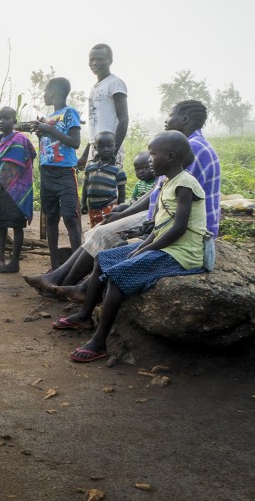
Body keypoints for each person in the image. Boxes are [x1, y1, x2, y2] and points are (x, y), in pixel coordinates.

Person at [28, 99, 221, 301]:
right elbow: (157, 191)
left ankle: (64, 284)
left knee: (104, 233)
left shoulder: (191, 149)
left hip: (184, 224)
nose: (166, 120)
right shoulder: (190, 147)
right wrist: (124, 211)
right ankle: (59, 279)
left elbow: (164, 199)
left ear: (184, 118)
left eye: (170, 114)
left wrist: (129, 218)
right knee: (101, 229)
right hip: (169, 214)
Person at [52, 131, 208, 362]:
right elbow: (160, 226)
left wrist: (145, 250)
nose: (150, 159)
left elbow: (178, 229)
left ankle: (99, 342)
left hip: (181, 254)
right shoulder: (167, 183)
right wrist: (142, 245)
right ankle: (84, 315)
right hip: (164, 247)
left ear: (171, 157)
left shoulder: (185, 183)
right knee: (103, 258)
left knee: (118, 276)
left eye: (154, 154)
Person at [0, 107, 37, 274]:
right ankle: (1, 258)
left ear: (15, 122)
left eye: (6, 118)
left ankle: (14, 262)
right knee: (1, 224)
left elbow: (26, 157)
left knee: (17, 225)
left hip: (16, 189)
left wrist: (8, 180)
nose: (1, 121)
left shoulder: (19, 138)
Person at [33, 77, 82, 268]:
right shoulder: (47, 118)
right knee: (51, 218)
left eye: (45, 91)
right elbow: (48, 145)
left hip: (65, 173)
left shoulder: (70, 112)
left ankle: (77, 268)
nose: (44, 95)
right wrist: (41, 131)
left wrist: (49, 130)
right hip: (47, 173)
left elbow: (75, 142)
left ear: (53, 92)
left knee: (70, 217)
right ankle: (55, 267)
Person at [79, 44, 128, 167]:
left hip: (109, 150)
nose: (94, 63)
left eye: (100, 59)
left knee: (109, 184)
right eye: (92, 59)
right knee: (94, 185)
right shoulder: (94, 88)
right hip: (95, 149)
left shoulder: (115, 83)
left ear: (110, 60)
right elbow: (95, 126)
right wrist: (85, 156)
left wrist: (113, 153)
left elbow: (123, 119)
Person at [80, 131, 127, 227]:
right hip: (93, 207)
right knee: (95, 230)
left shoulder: (117, 168)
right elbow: (85, 186)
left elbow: (122, 191)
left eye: (109, 146)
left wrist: (120, 208)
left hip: (109, 206)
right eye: (101, 146)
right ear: (95, 147)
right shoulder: (90, 165)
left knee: (109, 229)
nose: (106, 149)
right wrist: (83, 203)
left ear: (115, 146)